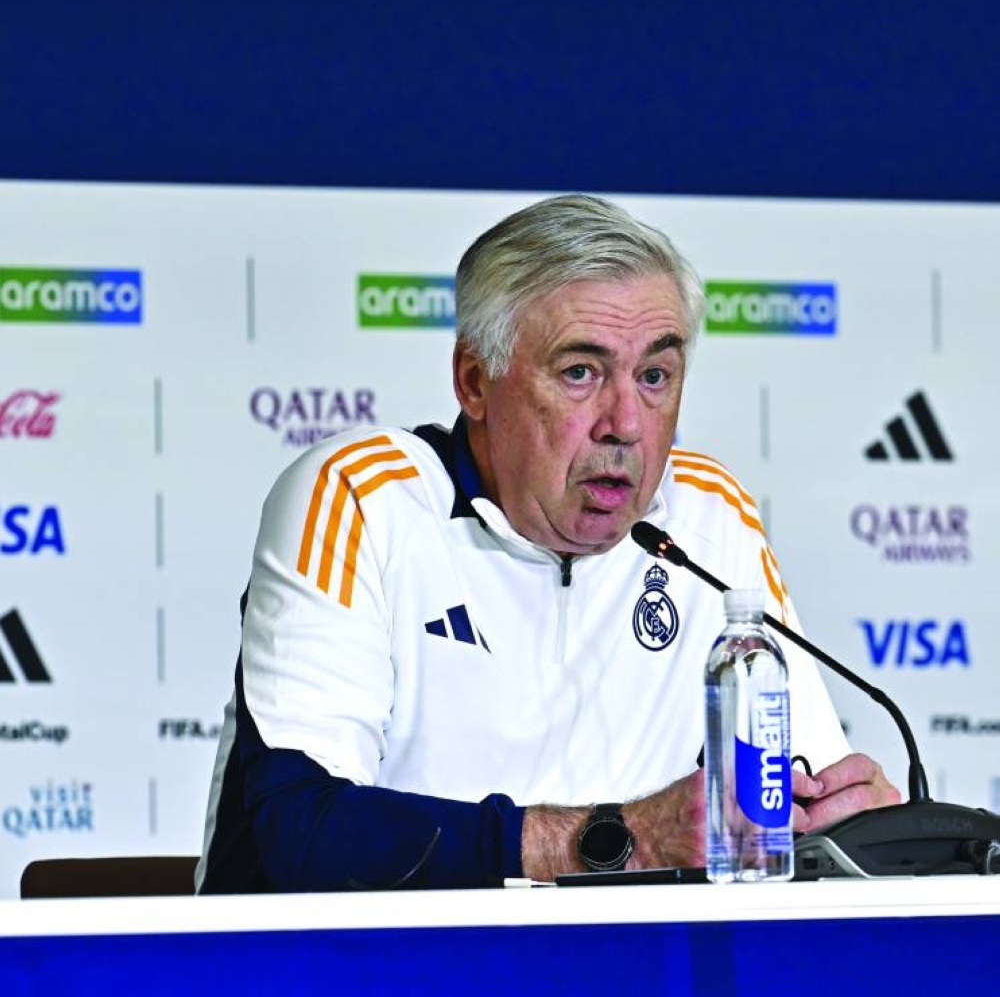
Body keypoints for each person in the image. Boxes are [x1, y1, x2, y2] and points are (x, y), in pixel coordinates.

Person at [197, 194, 898, 892]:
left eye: (654, 376)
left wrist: (840, 817)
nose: (626, 423)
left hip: (618, 986)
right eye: (580, 373)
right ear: (475, 380)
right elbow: (302, 832)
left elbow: (793, 807)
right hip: (358, 982)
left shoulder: (708, 517)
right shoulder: (362, 498)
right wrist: (619, 838)